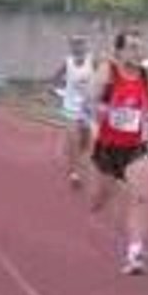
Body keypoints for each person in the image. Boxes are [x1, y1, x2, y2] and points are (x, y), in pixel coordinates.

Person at [89, 29, 148, 276]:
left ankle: (135, 254)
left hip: (135, 147)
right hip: (107, 147)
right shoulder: (108, 71)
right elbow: (90, 101)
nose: (138, 53)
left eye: (140, 47)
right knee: (98, 200)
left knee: (141, 197)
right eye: (132, 47)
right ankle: (103, 197)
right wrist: (104, 110)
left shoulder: (146, 76)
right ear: (119, 52)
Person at [52, 34, 97, 188]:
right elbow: (55, 79)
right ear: (71, 47)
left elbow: (102, 79)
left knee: (87, 142)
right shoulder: (67, 62)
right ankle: (74, 173)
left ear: (86, 45)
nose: (79, 46)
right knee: (74, 140)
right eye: (75, 44)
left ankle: (78, 158)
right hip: (71, 108)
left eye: (81, 43)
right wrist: (59, 92)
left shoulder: (93, 61)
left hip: (88, 108)